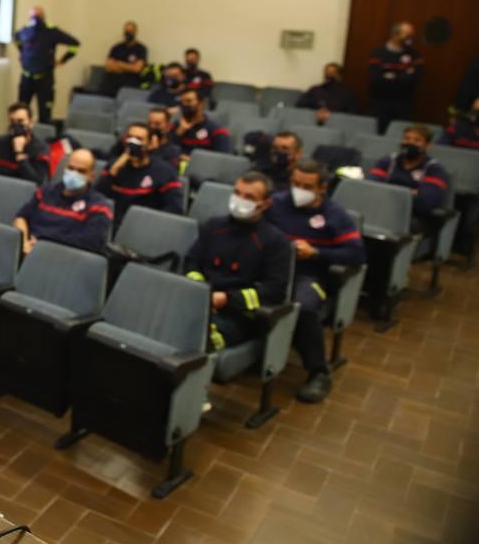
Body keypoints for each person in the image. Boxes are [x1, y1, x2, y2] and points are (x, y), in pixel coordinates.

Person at [266, 160, 365, 404]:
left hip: (310, 274)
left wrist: (317, 253)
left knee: (304, 306)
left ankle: (318, 372)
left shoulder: (334, 215)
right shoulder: (277, 203)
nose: (298, 189)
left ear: (322, 187)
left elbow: (357, 254)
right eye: (295, 183)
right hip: (273, 269)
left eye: (306, 186)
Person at [185, 172, 292, 355]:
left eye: (249, 197)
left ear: (265, 203)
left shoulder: (275, 241)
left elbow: (275, 291)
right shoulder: (214, 226)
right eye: (237, 193)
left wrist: (226, 299)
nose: (240, 200)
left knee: (191, 338)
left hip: (238, 315)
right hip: (199, 300)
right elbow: (191, 262)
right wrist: (201, 291)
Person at [12, 148, 112, 254]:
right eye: (71, 168)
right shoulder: (45, 191)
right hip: (27, 249)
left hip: (63, 258)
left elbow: (91, 243)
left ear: (91, 176)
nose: (74, 174)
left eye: (81, 171)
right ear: (65, 168)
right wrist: (24, 243)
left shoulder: (99, 206)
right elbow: (21, 217)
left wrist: (42, 246)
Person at [96, 123, 183, 226]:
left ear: (150, 144)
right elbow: (98, 198)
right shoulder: (114, 165)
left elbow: (175, 208)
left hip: (146, 225)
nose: (133, 142)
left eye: (139, 139)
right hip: (113, 223)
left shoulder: (164, 171)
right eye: (130, 137)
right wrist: (113, 172)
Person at [367, 124, 451, 224]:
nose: (410, 143)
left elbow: (427, 201)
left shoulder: (434, 169)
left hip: (415, 218)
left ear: (427, 145)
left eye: (417, 140)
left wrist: (388, 191)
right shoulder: (388, 161)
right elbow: (370, 188)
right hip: (382, 210)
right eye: (407, 139)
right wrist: (411, 193)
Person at [14, 6, 78, 123]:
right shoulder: (25, 31)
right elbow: (16, 38)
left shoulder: (52, 32)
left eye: (38, 16)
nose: (36, 19)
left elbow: (75, 44)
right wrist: (22, 53)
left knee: (45, 115)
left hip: (45, 79)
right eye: (33, 16)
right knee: (21, 112)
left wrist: (63, 60)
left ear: (44, 17)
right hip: (26, 78)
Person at [0, 102, 50, 186]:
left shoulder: (40, 150)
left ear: (31, 123)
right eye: (12, 121)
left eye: (20, 121)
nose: (16, 125)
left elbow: (36, 182)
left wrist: (20, 155)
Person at [367, 22, 423, 133]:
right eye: (407, 35)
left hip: (404, 104)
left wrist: (391, 76)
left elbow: (414, 77)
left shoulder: (414, 55)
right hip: (380, 103)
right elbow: (376, 79)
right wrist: (403, 74)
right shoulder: (378, 53)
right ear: (395, 35)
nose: (410, 39)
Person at [172, 88, 232, 161]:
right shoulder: (175, 126)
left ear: (201, 103)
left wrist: (191, 160)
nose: (184, 105)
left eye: (188, 101)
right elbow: (165, 152)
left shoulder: (217, 131)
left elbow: (223, 160)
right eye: (182, 102)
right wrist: (179, 133)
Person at [102, 20, 147, 96]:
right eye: (126, 31)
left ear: (135, 32)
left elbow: (137, 69)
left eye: (130, 31)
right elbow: (108, 67)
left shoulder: (141, 48)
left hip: (129, 82)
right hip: (111, 81)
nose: (128, 33)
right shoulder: (116, 47)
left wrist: (119, 64)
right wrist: (128, 67)